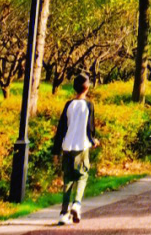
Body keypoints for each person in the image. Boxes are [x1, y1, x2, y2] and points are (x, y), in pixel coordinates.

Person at [52, 72, 99, 224]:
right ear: (87, 88)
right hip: (81, 145)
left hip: (67, 146)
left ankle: (63, 214)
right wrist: (93, 141)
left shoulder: (68, 104)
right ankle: (77, 204)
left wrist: (56, 150)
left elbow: (61, 128)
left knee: (68, 180)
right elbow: (90, 127)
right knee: (82, 175)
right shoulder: (88, 105)